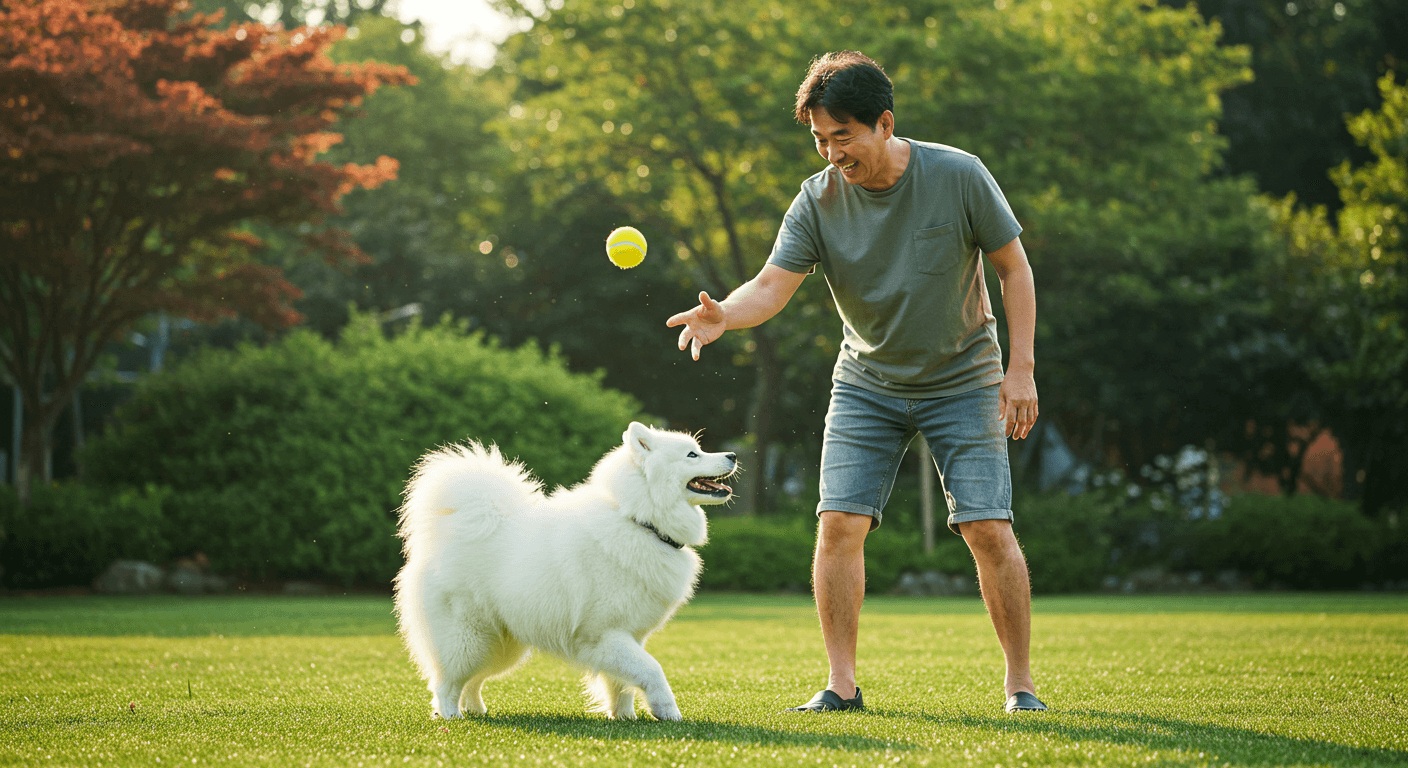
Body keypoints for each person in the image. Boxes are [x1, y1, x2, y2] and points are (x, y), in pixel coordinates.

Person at [665, 51, 1045, 714]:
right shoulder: (817, 199)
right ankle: (841, 684)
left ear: (884, 123)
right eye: (819, 139)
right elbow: (770, 286)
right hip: (866, 380)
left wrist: (1021, 371)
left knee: (987, 527)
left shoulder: (958, 175)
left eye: (843, 136)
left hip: (965, 377)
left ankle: (1020, 684)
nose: (832, 152)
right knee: (838, 522)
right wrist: (725, 314)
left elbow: (1014, 268)